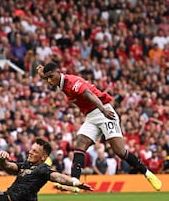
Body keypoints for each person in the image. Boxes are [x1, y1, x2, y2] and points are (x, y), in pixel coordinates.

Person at [37, 62, 162, 191]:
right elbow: (50, 76)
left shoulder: (72, 82)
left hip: (103, 111)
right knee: (80, 143)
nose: (49, 81)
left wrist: (103, 110)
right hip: (91, 117)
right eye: (47, 78)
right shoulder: (60, 82)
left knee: (119, 151)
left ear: (58, 72)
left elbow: (88, 94)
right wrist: (43, 74)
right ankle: (75, 183)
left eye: (51, 77)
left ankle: (148, 173)